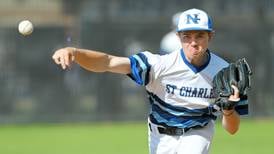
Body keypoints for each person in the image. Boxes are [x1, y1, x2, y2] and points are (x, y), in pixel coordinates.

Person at [52, 8, 248, 154]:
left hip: (198, 133)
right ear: (178, 36)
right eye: (186, 36)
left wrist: (229, 111)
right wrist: (74, 53)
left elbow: (232, 129)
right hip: (160, 136)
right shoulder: (159, 65)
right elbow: (108, 62)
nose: (193, 42)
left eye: (200, 35)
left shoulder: (225, 72)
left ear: (210, 36)